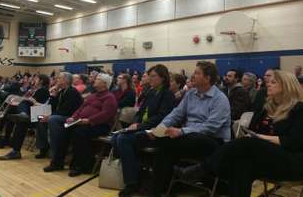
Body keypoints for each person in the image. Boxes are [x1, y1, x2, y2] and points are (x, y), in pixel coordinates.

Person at [180, 70, 303, 197]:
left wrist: (260, 138)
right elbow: (252, 130)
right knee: (242, 165)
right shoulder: (266, 108)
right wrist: (255, 136)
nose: (268, 85)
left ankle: (203, 169)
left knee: (247, 144)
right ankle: (205, 173)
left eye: (273, 82)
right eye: (268, 82)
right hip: (266, 157)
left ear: (286, 87)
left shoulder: (299, 109)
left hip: (291, 160)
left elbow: (294, 142)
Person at [150, 61, 231, 196]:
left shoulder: (220, 99)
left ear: (208, 78)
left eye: (197, 73)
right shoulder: (190, 94)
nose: (192, 76)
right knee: (163, 142)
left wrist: (181, 131)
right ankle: (160, 190)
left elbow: (210, 128)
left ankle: (162, 188)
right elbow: (176, 114)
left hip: (214, 141)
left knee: (170, 142)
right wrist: (160, 128)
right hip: (190, 138)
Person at [112, 64, 176, 197]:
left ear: (163, 78)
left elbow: (161, 117)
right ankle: (138, 173)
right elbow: (140, 112)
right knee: (116, 137)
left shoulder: (167, 94)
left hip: (155, 132)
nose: (150, 79)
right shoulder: (150, 92)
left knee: (123, 139)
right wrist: (135, 123)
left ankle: (132, 183)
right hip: (142, 127)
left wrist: (139, 126)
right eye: (149, 76)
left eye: (153, 76)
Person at [43, 73, 117, 177]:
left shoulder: (109, 97)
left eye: (98, 79)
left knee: (79, 132)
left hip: (99, 126)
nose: (95, 80)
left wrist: (89, 120)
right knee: (63, 131)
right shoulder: (93, 96)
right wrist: (73, 117)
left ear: (105, 84)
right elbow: (80, 108)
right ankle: (57, 163)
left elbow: (106, 114)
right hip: (82, 123)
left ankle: (79, 166)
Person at [0, 74, 50, 160]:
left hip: (40, 113)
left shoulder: (43, 90)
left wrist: (29, 100)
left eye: (36, 79)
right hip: (33, 113)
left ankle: (9, 141)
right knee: (18, 118)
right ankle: (14, 148)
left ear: (41, 81)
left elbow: (39, 106)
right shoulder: (36, 90)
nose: (34, 80)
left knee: (22, 105)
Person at [35, 72, 83, 159]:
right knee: (39, 117)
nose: (57, 80)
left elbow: (65, 111)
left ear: (65, 81)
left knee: (52, 119)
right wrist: (53, 95)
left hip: (70, 118)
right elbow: (52, 107)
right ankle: (43, 148)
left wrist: (49, 116)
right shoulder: (61, 92)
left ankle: (55, 153)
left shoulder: (72, 92)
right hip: (59, 116)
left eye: (59, 78)